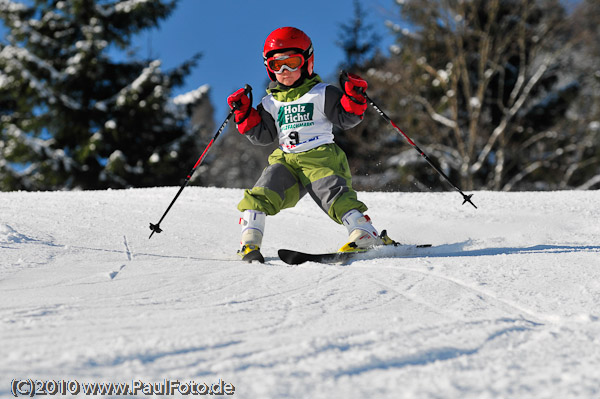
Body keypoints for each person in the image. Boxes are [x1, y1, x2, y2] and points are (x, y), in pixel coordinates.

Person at [227, 26, 393, 262]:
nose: (284, 70)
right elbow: (263, 135)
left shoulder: (322, 93)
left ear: (307, 62)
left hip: (320, 157)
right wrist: (244, 114)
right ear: (269, 68)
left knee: (334, 196)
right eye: (277, 65)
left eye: (292, 62)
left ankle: (365, 233)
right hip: (286, 159)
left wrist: (354, 98)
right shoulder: (269, 102)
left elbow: (346, 118)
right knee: (263, 191)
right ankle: (249, 242)